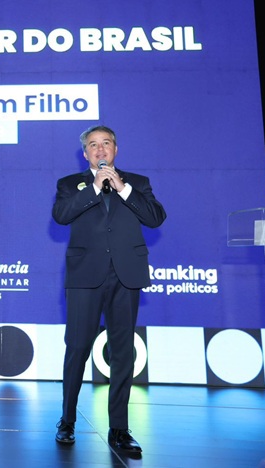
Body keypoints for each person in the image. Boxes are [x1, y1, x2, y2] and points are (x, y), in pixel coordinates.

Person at [51, 125, 166, 454]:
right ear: (85, 153)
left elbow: (156, 218)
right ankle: (67, 420)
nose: (100, 150)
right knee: (77, 348)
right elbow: (61, 215)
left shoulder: (137, 183)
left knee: (122, 352)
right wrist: (93, 188)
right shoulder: (69, 185)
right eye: (93, 145)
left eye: (106, 143)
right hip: (85, 276)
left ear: (115, 149)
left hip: (125, 276)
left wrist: (123, 189)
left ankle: (119, 429)